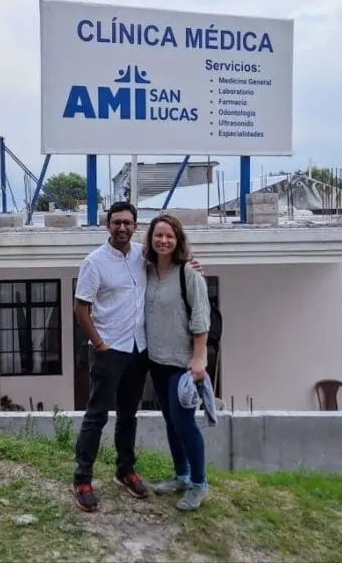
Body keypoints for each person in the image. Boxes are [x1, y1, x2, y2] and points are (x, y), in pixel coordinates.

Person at [71, 201, 201, 512]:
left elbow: (171, 266)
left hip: (138, 350)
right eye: (116, 223)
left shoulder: (142, 257)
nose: (122, 228)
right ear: (108, 226)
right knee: (96, 415)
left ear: (135, 226)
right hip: (108, 350)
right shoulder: (94, 262)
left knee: (129, 415)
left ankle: (125, 470)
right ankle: (82, 478)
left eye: (128, 223)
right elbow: (80, 308)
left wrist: (194, 268)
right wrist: (99, 344)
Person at [143, 213, 212, 512]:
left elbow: (201, 317)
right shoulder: (145, 271)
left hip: (183, 364)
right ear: (151, 239)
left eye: (169, 236)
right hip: (156, 361)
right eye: (158, 235)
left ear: (178, 240)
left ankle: (199, 483)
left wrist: (199, 358)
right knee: (171, 421)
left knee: (184, 424)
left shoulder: (189, 274)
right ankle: (181, 475)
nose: (163, 240)